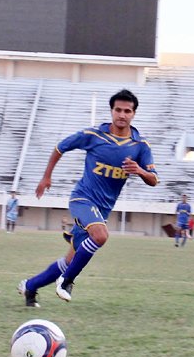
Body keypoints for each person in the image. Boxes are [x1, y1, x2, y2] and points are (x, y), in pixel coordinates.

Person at [18, 89, 158, 307]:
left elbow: (154, 180)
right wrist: (46, 177)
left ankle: (30, 286)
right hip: (82, 199)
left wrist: (140, 171)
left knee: (69, 260)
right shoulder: (93, 136)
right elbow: (59, 147)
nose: (122, 115)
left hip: (101, 211)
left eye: (127, 111)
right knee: (100, 236)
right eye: (118, 110)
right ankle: (66, 282)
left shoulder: (140, 146)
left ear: (134, 114)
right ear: (111, 111)